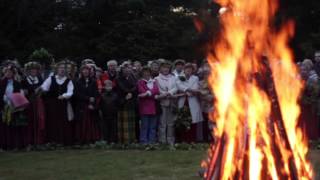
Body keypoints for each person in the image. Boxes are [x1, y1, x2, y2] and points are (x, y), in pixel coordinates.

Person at [40, 61, 75, 145]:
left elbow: (70, 92)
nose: (62, 70)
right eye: (60, 68)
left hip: (62, 104)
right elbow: (44, 88)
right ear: (57, 69)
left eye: (63, 68)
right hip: (51, 104)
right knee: (52, 121)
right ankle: (52, 140)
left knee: (62, 122)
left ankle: (62, 141)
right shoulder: (51, 78)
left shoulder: (68, 81)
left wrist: (64, 95)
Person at [0, 64, 28, 149]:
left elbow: (20, 94)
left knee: (14, 126)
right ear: (4, 73)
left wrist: (15, 102)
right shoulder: (1, 83)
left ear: (13, 73)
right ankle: (4, 145)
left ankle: (15, 145)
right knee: (4, 126)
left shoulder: (17, 83)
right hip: (3, 106)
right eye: (7, 72)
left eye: (10, 72)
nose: (8, 73)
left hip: (14, 107)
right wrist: (4, 99)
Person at [176, 63, 204, 143]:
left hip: (193, 101)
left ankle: (192, 140)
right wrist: (189, 90)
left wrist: (189, 91)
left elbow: (196, 88)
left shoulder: (195, 78)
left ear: (192, 70)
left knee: (193, 120)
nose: (188, 70)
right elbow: (180, 87)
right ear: (184, 70)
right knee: (183, 120)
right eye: (187, 68)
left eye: (190, 69)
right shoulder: (179, 77)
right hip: (183, 101)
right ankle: (183, 140)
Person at [74, 64, 101, 144]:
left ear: (89, 72)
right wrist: (87, 98)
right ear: (81, 71)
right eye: (84, 70)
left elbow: (96, 94)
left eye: (87, 70)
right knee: (81, 124)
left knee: (91, 123)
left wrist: (92, 104)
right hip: (81, 106)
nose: (85, 71)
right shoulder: (78, 82)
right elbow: (76, 94)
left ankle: (91, 139)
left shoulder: (93, 81)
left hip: (91, 106)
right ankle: (81, 140)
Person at [21, 62, 45, 145]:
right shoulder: (24, 80)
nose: (34, 71)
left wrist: (39, 91)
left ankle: (38, 141)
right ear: (28, 71)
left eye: (35, 69)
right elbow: (24, 91)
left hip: (38, 102)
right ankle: (29, 141)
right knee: (30, 121)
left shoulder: (40, 79)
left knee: (38, 120)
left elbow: (43, 89)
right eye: (32, 69)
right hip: (29, 103)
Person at [155, 61, 177, 145]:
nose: (166, 69)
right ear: (160, 69)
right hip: (162, 101)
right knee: (162, 123)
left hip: (171, 101)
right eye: (164, 67)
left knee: (171, 123)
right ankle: (162, 141)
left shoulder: (173, 78)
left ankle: (170, 141)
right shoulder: (157, 78)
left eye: (167, 68)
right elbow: (157, 89)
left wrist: (169, 93)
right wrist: (164, 94)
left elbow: (175, 87)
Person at [116, 62, 138, 144]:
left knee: (131, 124)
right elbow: (121, 87)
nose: (127, 70)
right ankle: (123, 141)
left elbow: (136, 87)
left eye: (128, 68)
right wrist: (128, 93)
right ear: (122, 69)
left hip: (131, 102)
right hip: (122, 102)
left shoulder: (133, 77)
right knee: (123, 124)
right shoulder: (119, 78)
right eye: (125, 68)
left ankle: (131, 140)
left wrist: (131, 93)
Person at [137, 66, 160, 144]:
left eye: (148, 72)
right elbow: (141, 91)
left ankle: (152, 141)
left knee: (153, 126)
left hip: (154, 107)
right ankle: (144, 141)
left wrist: (147, 93)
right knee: (144, 126)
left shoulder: (154, 82)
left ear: (150, 73)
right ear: (142, 73)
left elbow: (157, 90)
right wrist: (151, 93)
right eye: (144, 72)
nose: (146, 73)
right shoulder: (140, 82)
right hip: (144, 107)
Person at [299, 59, 320, 140]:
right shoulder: (300, 76)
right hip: (304, 104)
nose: (303, 70)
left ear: (309, 68)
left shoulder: (313, 78)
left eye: (305, 68)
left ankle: (314, 137)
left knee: (313, 121)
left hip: (312, 104)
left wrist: (307, 101)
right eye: (302, 68)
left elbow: (315, 92)